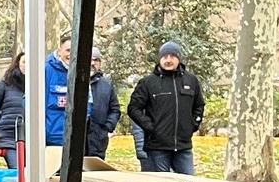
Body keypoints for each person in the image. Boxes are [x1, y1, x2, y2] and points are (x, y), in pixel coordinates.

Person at [126, 41, 205, 174]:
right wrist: (150, 127)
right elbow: (133, 108)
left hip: (183, 146)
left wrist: (193, 125)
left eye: (172, 56)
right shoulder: (148, 82)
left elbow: (199, 106)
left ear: (179, 58)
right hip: (157, 147)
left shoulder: (191, 81)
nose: (168, 60)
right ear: (160, 59)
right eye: (164, 56)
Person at [0, 53, 26, 163]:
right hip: (8, 138)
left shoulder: (39, 84)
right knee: (15, 173)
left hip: (30, 138)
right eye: (24, 62)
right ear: (18, 63)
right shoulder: (6, 82)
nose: (26, 65)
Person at [82, 49, 118, 160]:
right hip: (76, 140)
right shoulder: (71, 80)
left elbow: (115, 109)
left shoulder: (106, 84)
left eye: (96, 60)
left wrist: (107, 127)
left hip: (98, 140)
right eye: (90, 59)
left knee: (95, 173)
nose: (92, 63)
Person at [42, 35, 72, 146]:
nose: (71, 54)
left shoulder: (79, 72)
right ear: (59, 51)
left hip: (73, 138)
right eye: (68, 50)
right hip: (51, 140)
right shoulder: (46, 70)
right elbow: (33, 103)